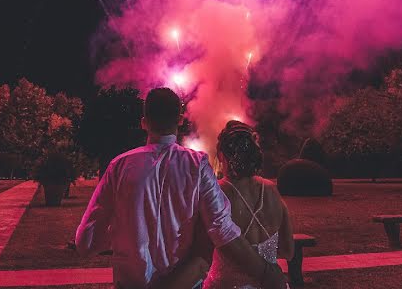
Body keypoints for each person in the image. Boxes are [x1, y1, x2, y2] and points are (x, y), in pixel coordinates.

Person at [75, 88, 287, 289]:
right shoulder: (198, 164)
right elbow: (222, 229)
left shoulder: (119, 166)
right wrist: (267, 273)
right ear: (180, 120)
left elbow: (85, 242)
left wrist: (119, 234)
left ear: (144, 122)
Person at [203, 121, 295, 289]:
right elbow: (288, 251)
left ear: (222, 155)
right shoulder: (271, 190)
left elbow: (202, 253)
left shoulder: (217, 193)